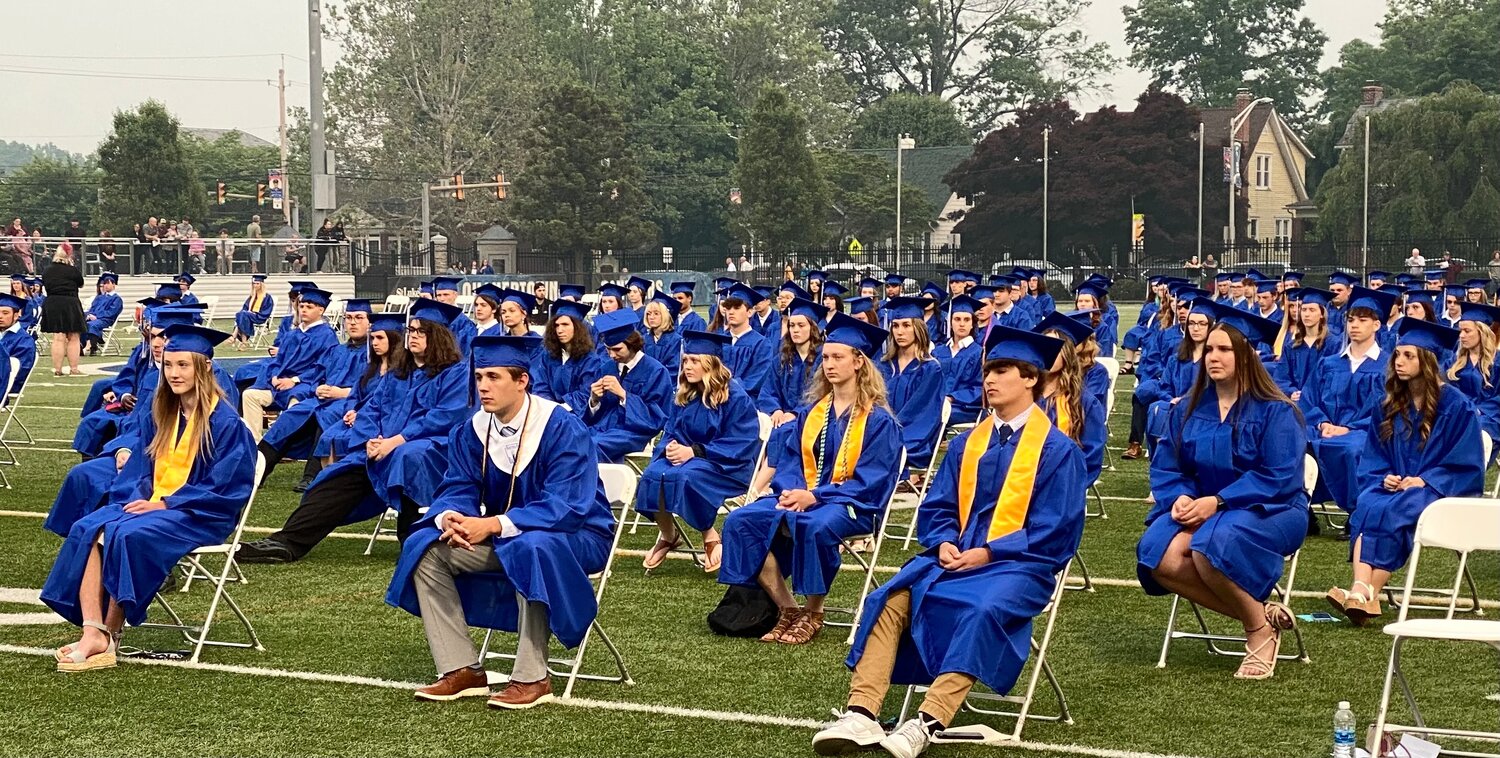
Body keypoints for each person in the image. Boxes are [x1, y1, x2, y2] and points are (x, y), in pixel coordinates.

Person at [813, 327, 1084, 757]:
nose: (989, 380)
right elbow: (937, 508)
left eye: (1002, 370)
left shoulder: (1058, 450)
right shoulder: (966, 445)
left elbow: (1056, 529)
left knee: (980, 608)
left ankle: (927, 721)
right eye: (987, 371)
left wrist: (991, 551)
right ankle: (862, 714)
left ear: (1030, 378)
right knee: (892, 597)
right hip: (955, 560)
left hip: (1020, 566)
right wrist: (941, 542)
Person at [384, 334, 615, 708]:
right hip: (509, 537)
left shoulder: (560, 427)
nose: (483, 387)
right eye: (479, 378)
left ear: (522, 381)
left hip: (575, 536)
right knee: (426, 547)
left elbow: (567, 505)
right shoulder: (472, 430)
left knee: (531, 545)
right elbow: (456, 485)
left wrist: (491, 525)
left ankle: (532, 677)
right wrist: (451, 518)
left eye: (494, 377)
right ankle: (461, 669)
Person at [42, 323, 254, 673]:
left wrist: (166, 503)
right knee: (88, 527)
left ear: (203, 368)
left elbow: (227, 487)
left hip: (200, 513)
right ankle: (93, 631)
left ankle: (112, 632)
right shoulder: (164, 414)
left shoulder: (226, 422)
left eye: (183, 365)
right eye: (169, 365)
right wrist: (134, 499)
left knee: (126, 533)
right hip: (156, 504)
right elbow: (140, 472)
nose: (173, 373)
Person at [1137, 308, 1308, 679]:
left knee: (1212, 544)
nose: (1214, 357)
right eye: (1211, 349)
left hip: (1271, 508)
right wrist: (1179, 497)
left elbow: (1278, 475)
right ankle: (1261, 616)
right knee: (1157, 553)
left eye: (1225, 350)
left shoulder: (1276, 411)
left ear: (1246, 355)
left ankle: (1258, 633)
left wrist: (1218, 501)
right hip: (1203, 506)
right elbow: (1169, 467)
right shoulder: (1187, 410)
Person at [237, 300, 471, 563]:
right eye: (411, 331)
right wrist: (372, 442)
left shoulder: (455, 374)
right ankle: (286, 542)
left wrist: (394, 442)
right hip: (381, 448)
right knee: (335, 479)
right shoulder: (397, 375)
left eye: (421, 332)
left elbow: (444, 417)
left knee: (411, 458)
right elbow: (371, 409)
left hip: (430, 448)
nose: (413, 337)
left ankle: (415, 541)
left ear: (438, 337)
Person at [719, 314, 902, 645]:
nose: (829, 364)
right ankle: (789, 609)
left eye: (838, 357)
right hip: (802, 496)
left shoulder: (878, 421)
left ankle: (814, 611)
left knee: (813, 525)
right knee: (742, 521)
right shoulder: (813, 413)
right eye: (826, 357)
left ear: (859, 362)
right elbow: (790, 461)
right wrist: (792, 492)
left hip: (851, 503)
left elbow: (872, 480)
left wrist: (816, 496)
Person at [1327, 318, 1484, 625]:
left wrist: (1425, 479)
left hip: (1438, 489)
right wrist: (1383, 475)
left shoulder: (1456, 405)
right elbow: (1374, 453)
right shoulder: (1390, 404)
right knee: (1369, 503)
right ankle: (1362, 591)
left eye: (1408, 356)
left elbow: (1467, 463)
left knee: (1397, 509)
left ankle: (1366, 592)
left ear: (1427, 361)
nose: (1399, 362)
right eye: (1397, 355)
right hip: (1394, 483)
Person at [634, 331, 760, 572]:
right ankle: (668, 535)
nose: (687, 366)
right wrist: (670, 448)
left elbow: (741, 441)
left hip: (726, 466)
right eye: (685, 361)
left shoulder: (735, 397)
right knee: (652, 474)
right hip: (686, 459)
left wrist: (695, 451)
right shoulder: (686, 394)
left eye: (694, 361)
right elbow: (672, 430)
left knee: (686, 476)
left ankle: (709, 536)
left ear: (710, 364)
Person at [257, 300, 373, 490]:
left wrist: (343, 393)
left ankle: (311, 475)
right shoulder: (337, 351)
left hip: (350, 403)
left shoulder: (373, 353)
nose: (352, 323)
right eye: (349, 318)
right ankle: (257, 469)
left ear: (370, 323)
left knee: (327, 417)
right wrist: (317, 388)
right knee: (291, 415)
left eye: (359, 318)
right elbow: (317, 376)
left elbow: (377, 387)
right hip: (322, 399)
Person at [1300, 286, 1397, 513]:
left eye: (1362, 320)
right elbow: (1308, 399)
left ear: (1376, 325)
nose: (1354, 325)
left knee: (1353, 449)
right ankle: (1301, 508)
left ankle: (1357, 510)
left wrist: (1347, 429)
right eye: (1351, 319)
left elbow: (1388, 410)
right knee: (1293, 442)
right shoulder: (1330, 363)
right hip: (1323, 429)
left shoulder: (1388, 366)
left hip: (1364, 432)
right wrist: (1323, 423)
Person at [240, 288, 340, 443]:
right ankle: (256, 443)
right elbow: (277, 361)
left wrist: (294, 380)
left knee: (296, 402)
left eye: (309, 307)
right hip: (279, 385)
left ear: (321, 310)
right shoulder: (292, 334)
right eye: (302, 306)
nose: (304, 310)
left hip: (305, 384)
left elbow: (322, 367)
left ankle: (281, 445)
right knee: (250, 395)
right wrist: (274, 376)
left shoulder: (327, 336)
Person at [582, 309, 674, 463]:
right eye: (608, 350)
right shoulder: (607, 368)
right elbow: (595, 415)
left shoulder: (655, 371)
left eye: (617, 349)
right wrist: (594, 400)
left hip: (634, 432)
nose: (611, 355)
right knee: (572, 439)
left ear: (632, 344)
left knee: (593, 445)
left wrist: (624, 395)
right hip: (603, 427)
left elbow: (657, 417)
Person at [1034, 314, 1107, 486]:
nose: (1048, 353)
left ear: (1067, 354)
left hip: (1064, 489)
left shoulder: (1084, 403)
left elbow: (1091, 457)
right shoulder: (1024, 396)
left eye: (1055, 348)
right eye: (1043, 346)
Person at [877, 297, 946, 474]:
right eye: (896, 325)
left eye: (906, 325)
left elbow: (920, 414)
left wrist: (888, 434)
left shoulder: (930, 369)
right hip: (880, 434)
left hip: (912, 438)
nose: (900, 332)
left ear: (918, 328)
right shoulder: (884, 366)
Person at [757, 297, 827, 423]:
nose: (795, 330)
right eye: (792, 325)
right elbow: (768, 390)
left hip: (811, 418)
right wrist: (775, 409)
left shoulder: (823, 359)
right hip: (781, 417)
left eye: (801, 325)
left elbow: (821, 395)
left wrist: (796, 413)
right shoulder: (782, 359)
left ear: (813, 328)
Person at [531, 300, 609, 410]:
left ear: (577, 328)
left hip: (577, 416)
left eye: (565, 324)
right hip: (548, 413)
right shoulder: (548, 356)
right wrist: (549, 409)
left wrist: (561, 409)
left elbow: (585, 393)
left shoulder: (590, 360)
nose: (559, 330)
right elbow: (541, 386)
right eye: (556, 325)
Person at [715, 284, 774, 398]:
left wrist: (728, 387)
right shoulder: (719, 341)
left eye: (737, 308)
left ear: (750, 312)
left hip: (748, 402)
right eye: (728, 308)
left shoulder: (761, 344)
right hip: (717, 398)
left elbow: (757, 379)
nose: (731, 312)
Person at [933, 294, 984, 421]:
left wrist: (952, 397)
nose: (962, 324)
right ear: (950, 323)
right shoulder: (937, 352)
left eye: (966, 320)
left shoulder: (979, 353)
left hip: (963, 408)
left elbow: (980, 388)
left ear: (973, 324)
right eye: (957, 319)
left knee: (935, 415)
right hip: (936, 404)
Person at [41, 245, 86, 377]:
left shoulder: (47, 270)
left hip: (52, 302)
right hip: (70, 302)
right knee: (73, 336)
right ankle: (74, 369)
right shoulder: (72, 270)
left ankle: (58, 369)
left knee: (58, 337)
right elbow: (81, 283)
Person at [642, 292, 682, 376]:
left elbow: (674, 369)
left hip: (667, 385)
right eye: (649, 314)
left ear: (666, 315)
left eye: (656, 313)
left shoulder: (676, 341)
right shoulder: (643, 340)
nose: (651, 317)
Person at [82, 273, 123, 356]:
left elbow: (111, 312)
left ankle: (92, 347)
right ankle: (81, 346)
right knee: (81, 323)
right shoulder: (99, 297)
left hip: (106, 320)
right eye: (104, 283)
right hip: (94, 318)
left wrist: (96, 317)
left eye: (108, 283)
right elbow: (92, 309)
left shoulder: (117, 299)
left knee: (92, 325)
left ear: (114, 285)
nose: (105, 286)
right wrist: (88, 315)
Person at [232, 275, 275, 349]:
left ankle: (234, 336)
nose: (255, 285)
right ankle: (243, 342)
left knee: (243, 315)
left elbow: (267, 311)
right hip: (249, 317)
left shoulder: (267, 297)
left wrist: (254, 313)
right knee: (241, 314)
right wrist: (249, 313)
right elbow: (245, 307)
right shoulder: (252, 296)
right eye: (254, 284)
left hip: (259, 317)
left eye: (257, 283)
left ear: (262, 285)